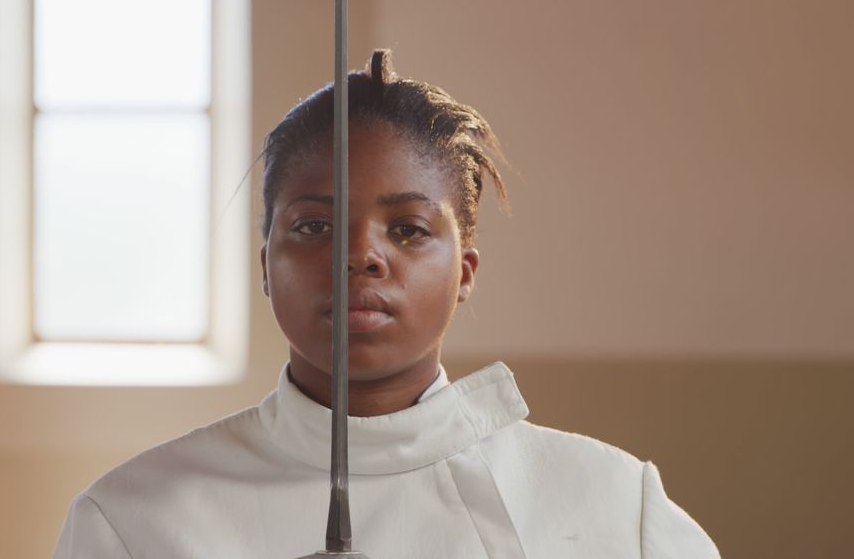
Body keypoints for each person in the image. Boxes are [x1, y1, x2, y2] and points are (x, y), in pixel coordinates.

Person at [53, 49, 720, 558]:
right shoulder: (134, 521)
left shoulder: (613, 504)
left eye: (408, 229)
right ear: (266, 266)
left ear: (465, 271)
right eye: (314, 226)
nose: (362, 257)